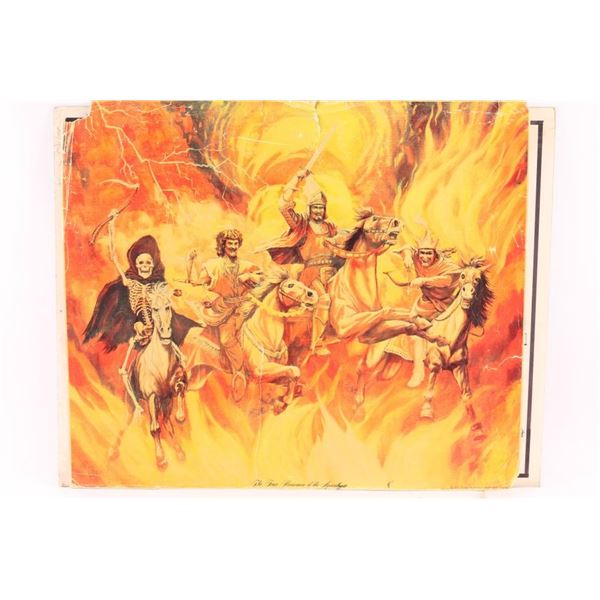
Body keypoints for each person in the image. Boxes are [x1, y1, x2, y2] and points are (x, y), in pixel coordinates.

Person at [83, 210, 198, 411]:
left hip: (160, 323)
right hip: (136, 325)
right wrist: (111, 224)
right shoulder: (130, 283)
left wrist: (178, 287)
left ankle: (179, 378)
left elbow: (169, 294)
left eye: (148, 263)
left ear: (153, 264)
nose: (144, 266)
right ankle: (135, 396)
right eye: (140, 263)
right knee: (127, 357)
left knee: (184, 340)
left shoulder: (158, 283)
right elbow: (113, 257)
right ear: (135, 265)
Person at [258, 168, 338, 355]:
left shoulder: (331, 227)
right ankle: (317, 343)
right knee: (324, 300)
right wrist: (297, 178)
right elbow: (283, 206)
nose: (318, 211)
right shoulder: (301, 224)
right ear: (309, 208)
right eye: (315, 207)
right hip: (311, 274)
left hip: (333, 271)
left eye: (321, 207)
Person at [186, 229, 263, 401]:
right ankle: (239, 373)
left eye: (236, 243)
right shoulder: (213, 266)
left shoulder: (247, 266)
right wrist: (190, 262)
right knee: (227, 338)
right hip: (224, 310)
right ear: (223, 245)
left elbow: (263, 279)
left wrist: (249, 276)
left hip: (246, 306)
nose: (233, 247)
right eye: (230, 243)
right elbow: (195, 282)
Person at [387, 230, 461, 387]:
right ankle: (418, 370)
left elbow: (447, 280)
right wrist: (408, 256)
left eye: (428, 253)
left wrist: (424, 281)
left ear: (435, 254)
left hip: (446, 307)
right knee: (413, 332)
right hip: (424, 305)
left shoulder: (446, 265)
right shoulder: (416, 258)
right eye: (422, 253)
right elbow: (404, 249)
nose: (424, 257)